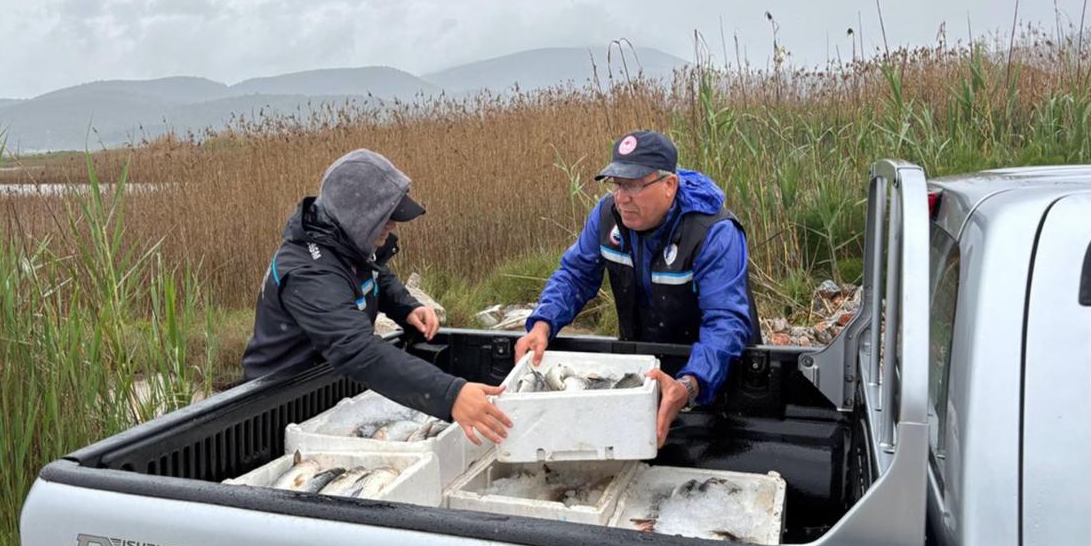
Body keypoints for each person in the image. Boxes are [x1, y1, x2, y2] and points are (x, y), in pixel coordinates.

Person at [241, 148, 511, 445]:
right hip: (275, 408)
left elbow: (372, 272)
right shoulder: (308, 274)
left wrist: (405, 306)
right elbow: (357, 350)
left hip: (327, 392)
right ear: (358, 218)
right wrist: (451, 394)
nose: (394, 225)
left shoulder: (341, 240)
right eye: (387, 218)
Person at [515, 131, 757, 446]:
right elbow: (575, 274)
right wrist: (544, 322)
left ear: (669, 185)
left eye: (633, 185)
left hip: (715, 378)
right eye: (616, 183)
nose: (621, 197)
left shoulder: (713, 232)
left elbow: (726, 322)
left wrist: (690, 384)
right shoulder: (607, 216)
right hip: (643, 369)